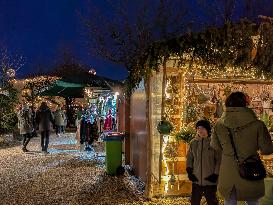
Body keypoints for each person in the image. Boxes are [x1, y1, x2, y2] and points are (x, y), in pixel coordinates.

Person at [211, 92, 273, 205]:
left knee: (229, 200)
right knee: (253, 201)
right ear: (246, 104)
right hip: (251, 169)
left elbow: (215, 147)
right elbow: (267, 149)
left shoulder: (219, 125)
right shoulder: (258, 124)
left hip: (228, 172)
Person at [186, 119, 221, 205]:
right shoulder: (193, 143)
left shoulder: (214, 143)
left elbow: (219, 160)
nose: (200, 130)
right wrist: (190, 172)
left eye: (202, 128)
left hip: (210, 179)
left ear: (207, 129)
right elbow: (189, 158)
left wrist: (215, 174)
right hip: (196, 180)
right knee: (194, 201)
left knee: (212, 201)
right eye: (198, 128)